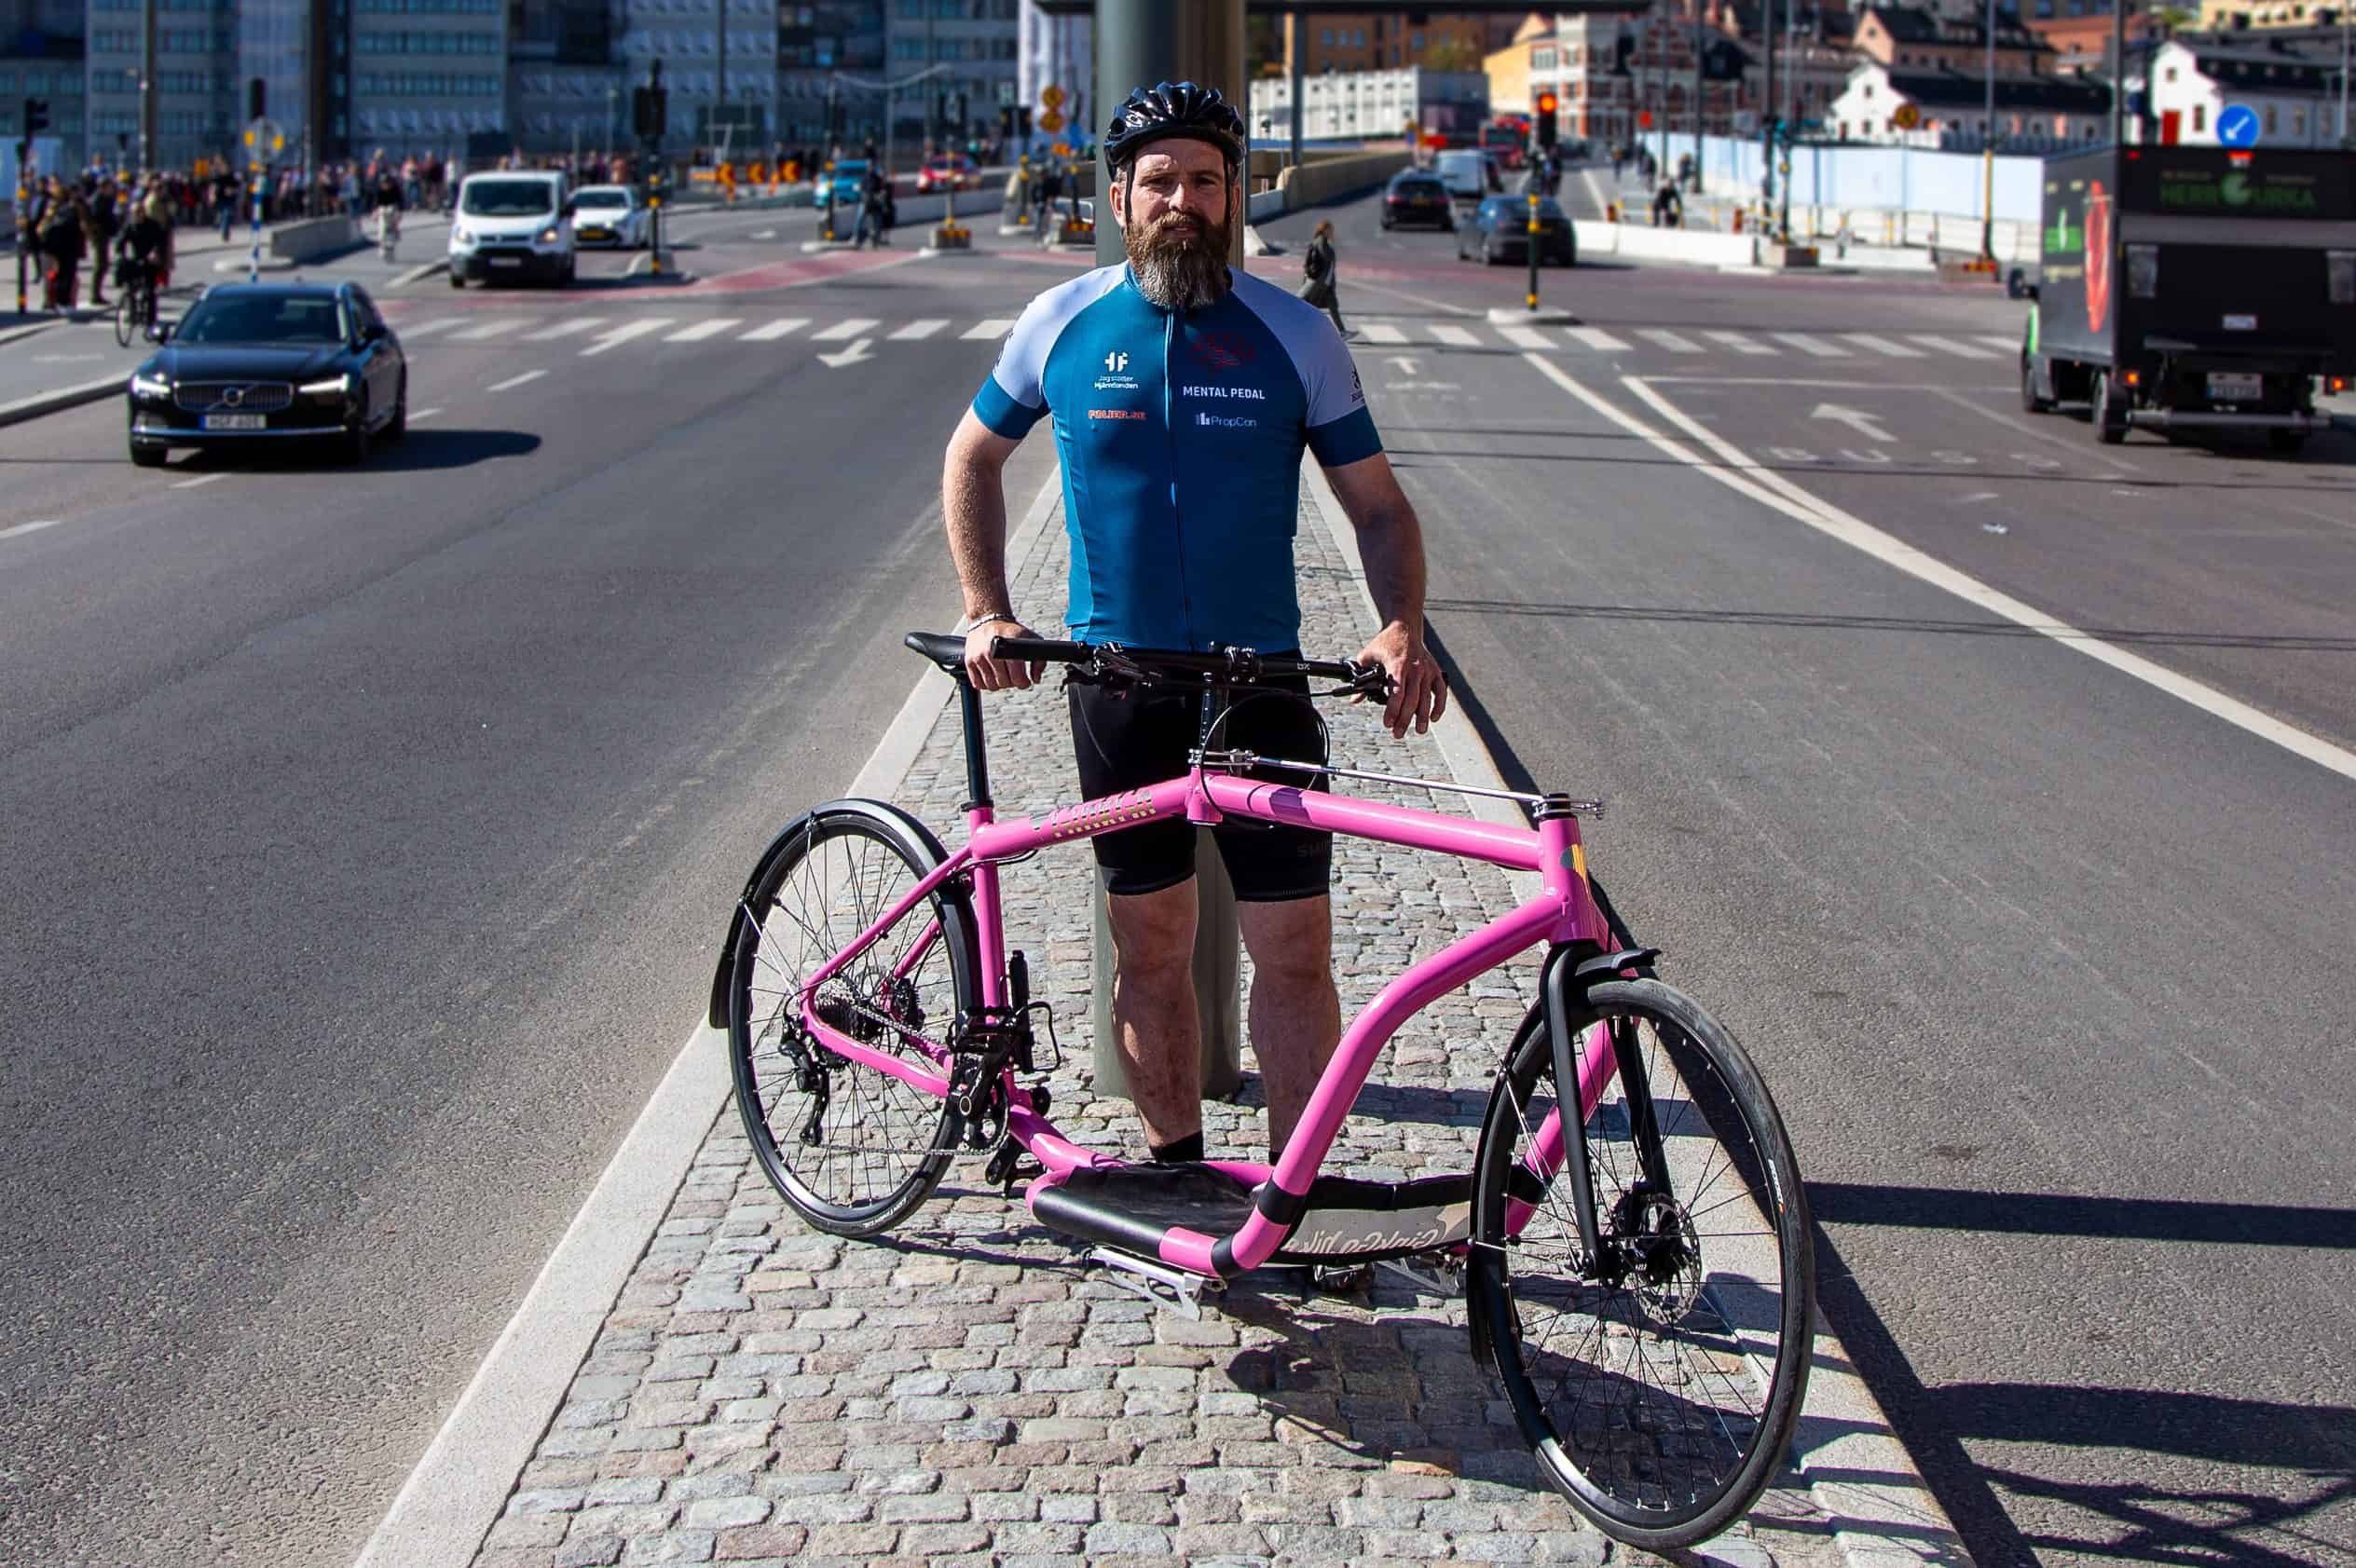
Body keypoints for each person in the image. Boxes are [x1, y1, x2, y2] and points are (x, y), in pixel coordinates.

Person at [940, 80, 1445, 1169]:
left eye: (1204, 181)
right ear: (1119, 198)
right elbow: (971, 457)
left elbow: (1376, 506)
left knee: (1296, 953)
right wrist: (988, 609)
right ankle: (1176, 1170)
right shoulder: (1061, 323)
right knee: (1152, 948)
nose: (1181, 199)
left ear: (1233, 198)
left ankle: (1291, 1193)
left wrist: (1400, 625)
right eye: (1158, 180)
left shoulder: (1294, 335)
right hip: (1119, 689)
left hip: (1260, 683)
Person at [1297, 218, 1350, 338]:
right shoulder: (1321, 241)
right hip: (1319, 281)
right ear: (1325, 230)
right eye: (1330, 230)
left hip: (1325, 281)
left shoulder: (1323, 241)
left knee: (1332, 306)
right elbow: (1326, 258)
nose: (1332, 232)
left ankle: (1342, 332)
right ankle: (1300, 328)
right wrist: (1331, 249)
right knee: (1307, 304)